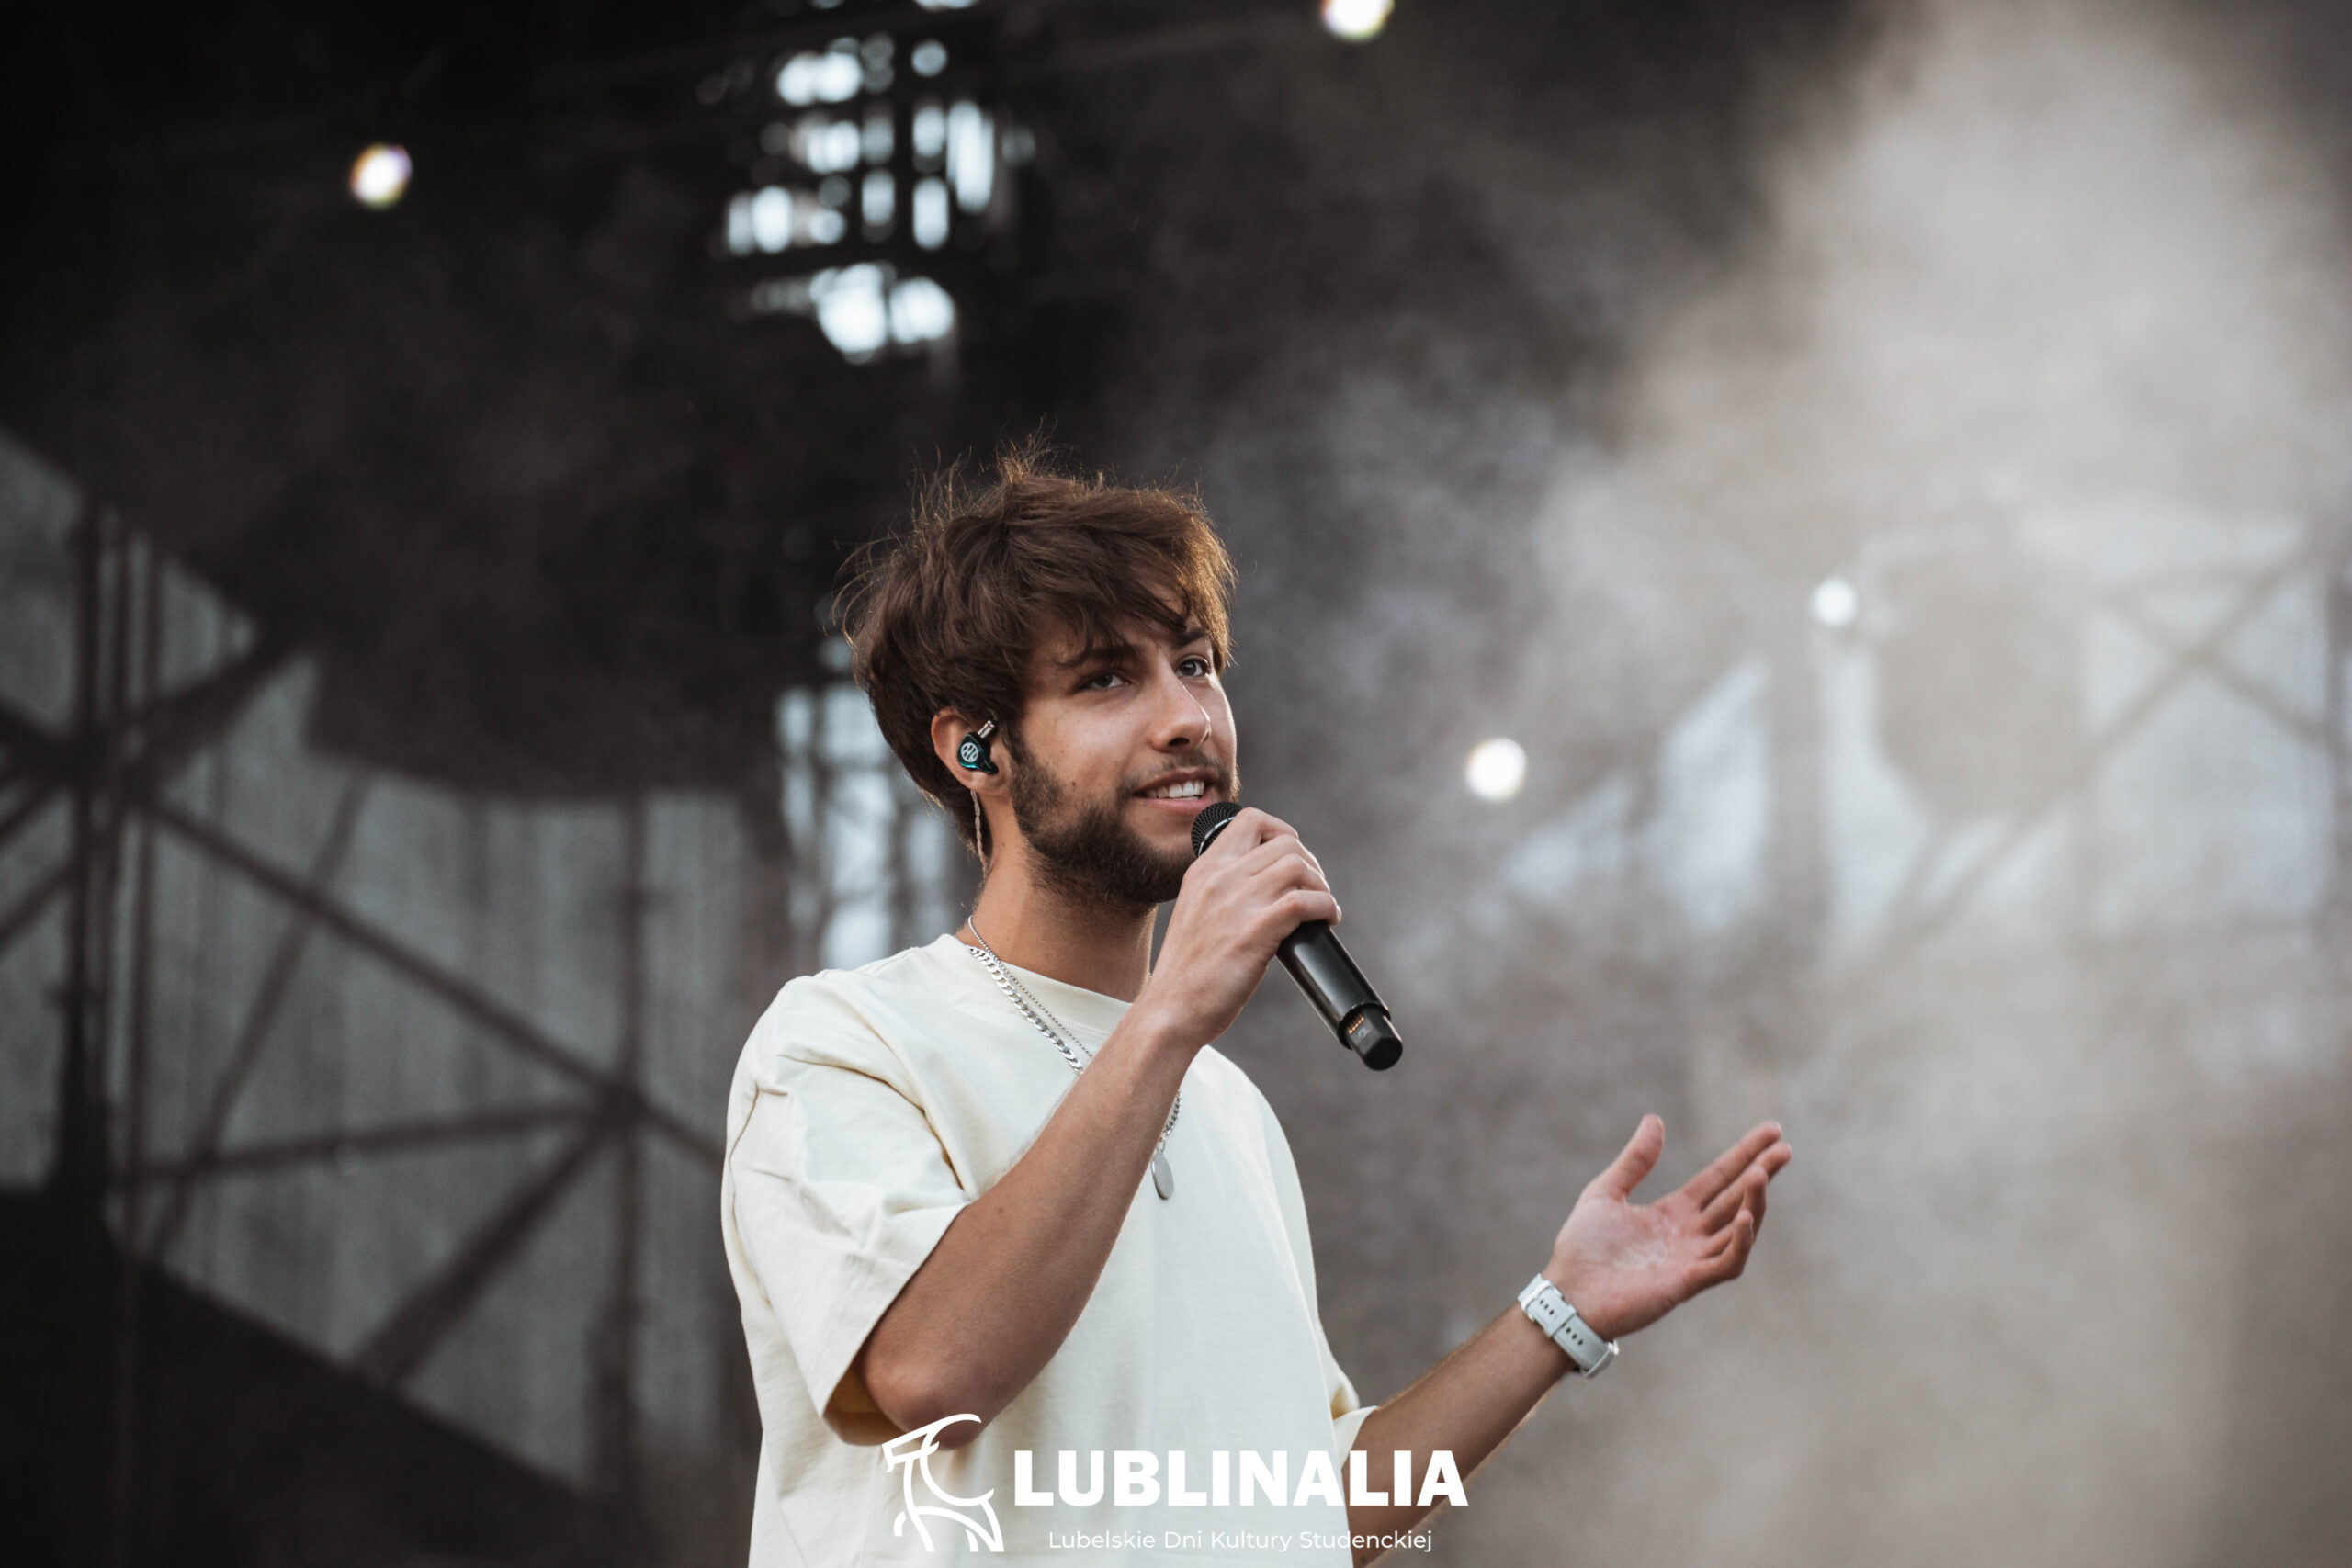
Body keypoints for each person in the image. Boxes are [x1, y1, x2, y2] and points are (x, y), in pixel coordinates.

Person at [719, 448, 1792, 1566]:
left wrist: (1557, 1315)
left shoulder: (1227, 1109)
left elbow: (1303, 1511)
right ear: (973, 747)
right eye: (1106, 679)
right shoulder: (844, 1045)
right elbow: (929, 1372)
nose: (1187, 717)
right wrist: (1169, 1017)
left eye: (1194, 664)